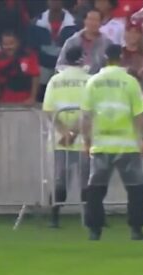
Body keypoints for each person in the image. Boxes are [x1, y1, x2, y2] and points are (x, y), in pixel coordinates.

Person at [81, 44, 143, 241]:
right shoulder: (130, 82)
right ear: (121, 58)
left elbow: (86, 117)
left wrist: (86, 142)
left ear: (105, 58)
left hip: (102, 143)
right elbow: (139, 116)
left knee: (95, 189)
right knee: (136, 188)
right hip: (127, 144)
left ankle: (94, 231)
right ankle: (136, 230)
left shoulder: (92, 82)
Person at [42, 46, 91, 228]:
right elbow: (89, 111)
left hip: (60, 138)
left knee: (60, 179)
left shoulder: (55, 80)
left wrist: (65, 132)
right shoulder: (89, 81)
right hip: (83, 138)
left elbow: (48, 110)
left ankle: (54, 217)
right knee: (86, 179)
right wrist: (75, 132)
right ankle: (89, 217)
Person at [0, 30, 40, 106]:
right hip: (5, 100)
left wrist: (32, 98)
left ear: (18, 43)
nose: (8, 47)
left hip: (25, 100)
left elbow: (36, 77)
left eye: (11, 44)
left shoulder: (29, 56)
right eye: (5, 44)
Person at [58, 9, 113, 74]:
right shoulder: (72, 41)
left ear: (101, 23)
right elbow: (60, 65)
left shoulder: (107, 43)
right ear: (84, 21)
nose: (92, 23)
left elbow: (111, 67)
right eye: (90, 19)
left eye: (96, 20)